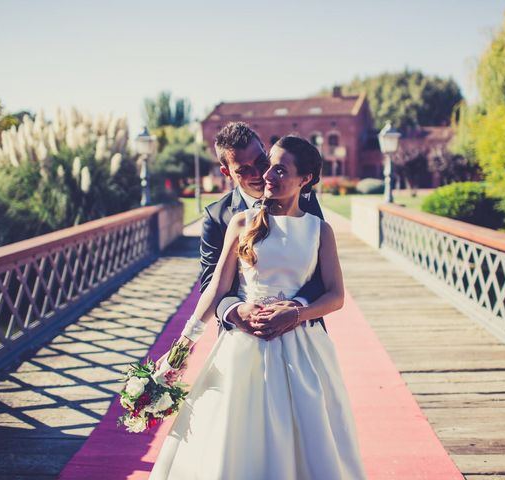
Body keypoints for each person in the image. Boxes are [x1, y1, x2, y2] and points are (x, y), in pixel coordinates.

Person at [149, 135, 366, 479]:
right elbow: (215, 287)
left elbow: (335, 295)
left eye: (278, 169)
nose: (266, 175)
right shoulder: (239, 222)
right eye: (268, 168)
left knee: (307, 437)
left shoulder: (320, 230)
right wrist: (182, 345)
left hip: (303, 349)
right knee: (234, 436)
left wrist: (296, 312)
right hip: (242, 346)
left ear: (304, 179)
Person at [199, 122, 326, 338]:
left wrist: (296, 308)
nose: (259, 173)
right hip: (243, 335)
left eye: (260, 161)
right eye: (244, 170)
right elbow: (212, 283)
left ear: (265, 150)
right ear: (226, 172)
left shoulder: (305, 200)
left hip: (301, 330)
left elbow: (322, 274)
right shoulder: (217, 216)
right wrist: (235, 311)